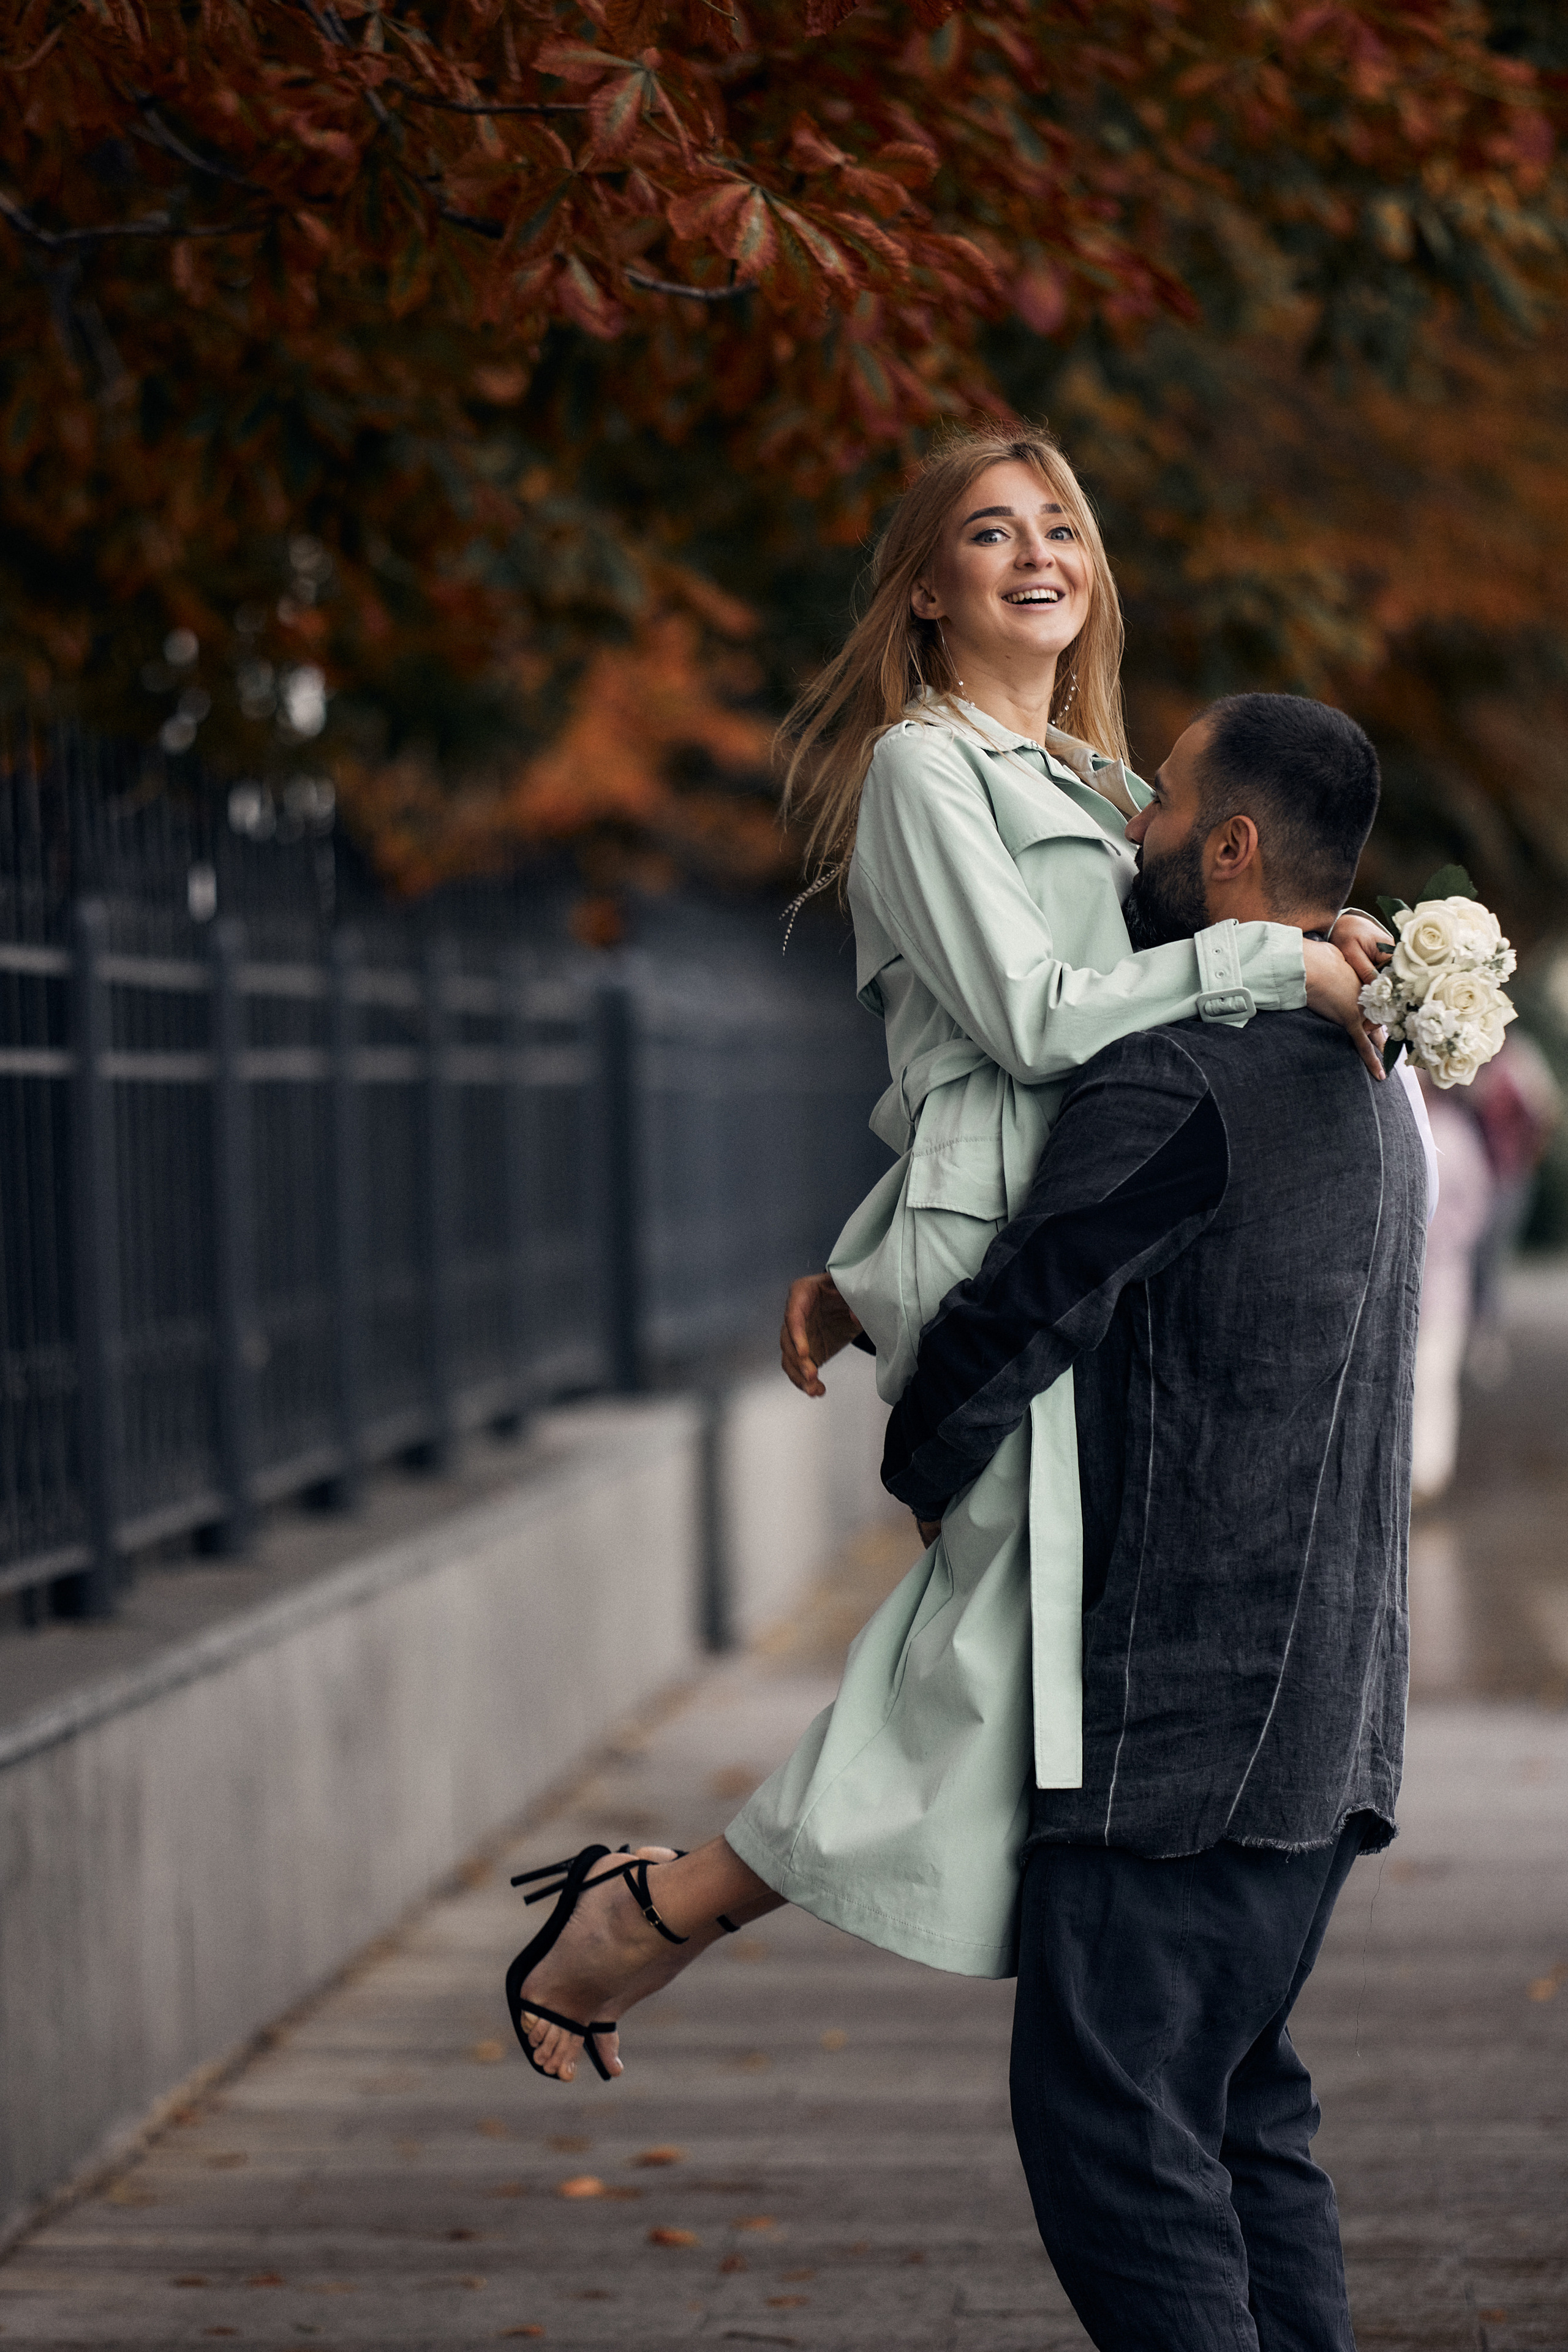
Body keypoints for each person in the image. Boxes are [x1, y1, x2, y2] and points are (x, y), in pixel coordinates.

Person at [504, 424, 1392, 2085]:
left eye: (1059, 524)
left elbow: (1218, 911)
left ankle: (708, 1917)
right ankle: (647, 1919)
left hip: (1082, 1237)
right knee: (990, 1649)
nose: (1037, 552)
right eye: (990, 534)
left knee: (1023, 1653)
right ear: (929, 589)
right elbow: (1032, 1027)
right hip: (1006, 1243)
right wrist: (1272, 968)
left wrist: (1332, 936)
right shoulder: (925, 774)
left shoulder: (1098, 782)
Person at [878, 693, 1425, 2351]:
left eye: (1165, 806)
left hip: (1185, 1730)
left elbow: (1014, 1317)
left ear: (1234, 850)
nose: (1135, 835)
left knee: (1116, 2137)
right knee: (1242, 2122)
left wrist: (921, 1471)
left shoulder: (1191, 1072)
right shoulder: (1366, 1072)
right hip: (1329, 1723)